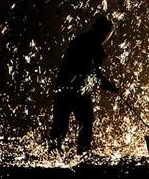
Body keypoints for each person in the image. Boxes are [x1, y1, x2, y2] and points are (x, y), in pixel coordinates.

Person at [49, 15, 118, 155]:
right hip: (75, 89)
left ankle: (54, 154)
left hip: (64, 86)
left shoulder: (79, 39)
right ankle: (83, 153)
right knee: (85, 121)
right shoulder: (95, 46)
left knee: (61, 124)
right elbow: (97, 76)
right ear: (103, 32)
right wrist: (109, 86)